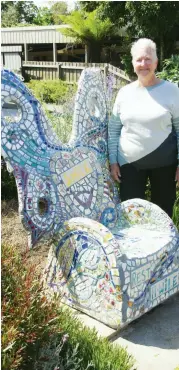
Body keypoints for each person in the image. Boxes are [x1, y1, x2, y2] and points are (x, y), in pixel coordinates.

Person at [108, 38, 179, 218]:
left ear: (156, 62)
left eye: (148, 59)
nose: (143, 64)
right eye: (139, 59)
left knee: (162, 216)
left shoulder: (172, 91)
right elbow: (114, 129)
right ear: (133, 64)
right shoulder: (124, 93)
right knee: (131, 217)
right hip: (129, 166)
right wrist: (113, 161)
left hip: (165, 166)